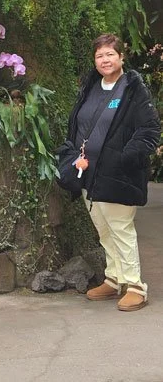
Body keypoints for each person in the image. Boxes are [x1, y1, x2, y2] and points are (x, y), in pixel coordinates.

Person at [65, 33, 160, 311]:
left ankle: (135, 286)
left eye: (110, 54)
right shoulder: (92, 87)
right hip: (88, 173)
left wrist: (123, 158)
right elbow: (79, 124)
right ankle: (114, 278)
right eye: (99, 55)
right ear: (94, 61)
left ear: (121, 57)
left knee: (120, 228)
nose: (105, 60)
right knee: (104, 230)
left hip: (118, 173)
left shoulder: (132, 89)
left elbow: (149, 131)